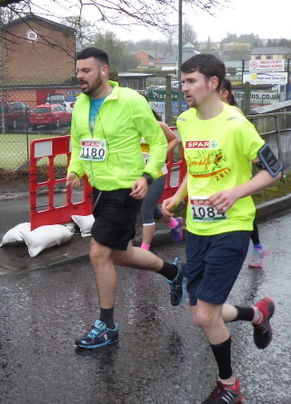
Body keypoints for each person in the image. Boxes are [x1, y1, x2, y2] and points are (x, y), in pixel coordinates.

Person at [162, 54, 280, 404]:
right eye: (182, 82)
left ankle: (229, 385)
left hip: (232, 226)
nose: (184, 89)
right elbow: (194, 170)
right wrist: (178, 197)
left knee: (202, 317)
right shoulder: (184, 121)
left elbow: (274, 170)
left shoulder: (236, 125)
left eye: (191, 81)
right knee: (201, 310)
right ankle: (256, 315)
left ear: (213, 83)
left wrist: (235, 192)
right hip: (198, 227)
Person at [66, 47, 186, 349]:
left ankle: (107, 326)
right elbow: (79, 142)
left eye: (86, 71)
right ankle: (173, 271)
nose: (80, 76)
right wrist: (75, 170)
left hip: (126, 188)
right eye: (78, 71)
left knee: (98, 253)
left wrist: (147, 176)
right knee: (119, 254)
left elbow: (159, 142)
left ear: (104, 72)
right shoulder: (80, 104)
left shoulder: (130, 101)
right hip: (101, 188)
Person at [219, 78, 268, 268]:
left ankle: (257, 247)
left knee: (240, 208)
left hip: (236, 169)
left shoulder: (235, 113)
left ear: (225, 94)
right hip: (220, 169)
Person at [140, 112, 183, 250]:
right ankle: (174, 223)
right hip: (138, 175)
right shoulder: (129, 127)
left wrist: (161, 153)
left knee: (146, 210)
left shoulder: (158, 125)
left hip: (157, 173)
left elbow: (174, 139)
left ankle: (144, 250)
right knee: (151, 209)